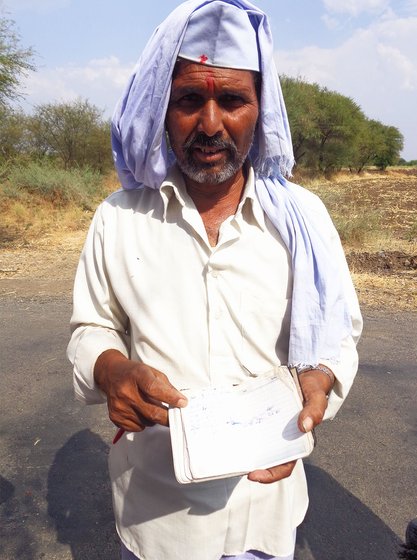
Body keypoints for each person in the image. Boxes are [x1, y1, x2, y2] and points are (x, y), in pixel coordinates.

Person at [67, 1, 363, 559]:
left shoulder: (302, 218)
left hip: (268, 512)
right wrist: (111, 370)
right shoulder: (120, 216)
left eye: (231, 100)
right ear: (162, 109)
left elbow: (337, 333)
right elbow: (92, 327)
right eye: (188, 100)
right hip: (155, 514)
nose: (209, 124)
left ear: (260, 109)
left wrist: (321, 379)